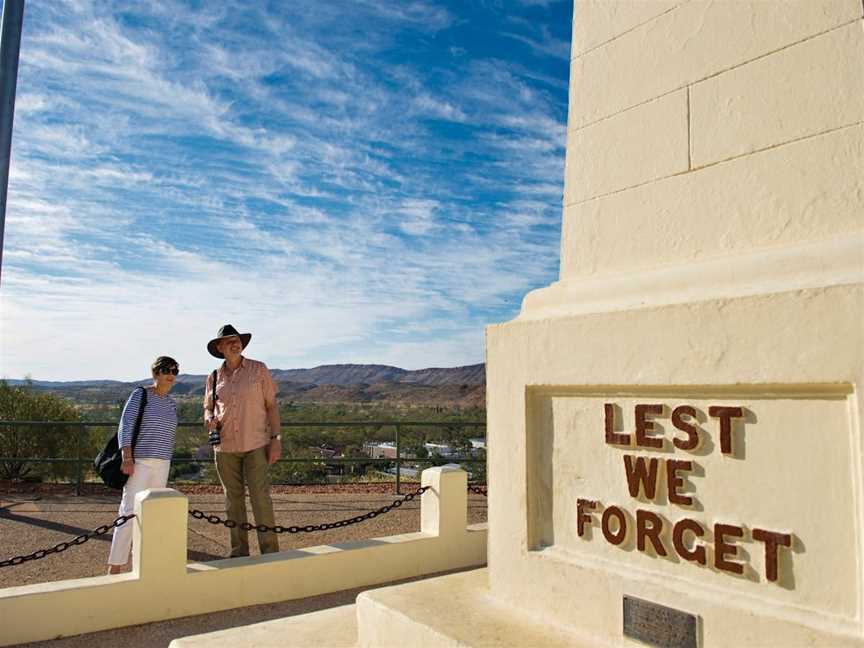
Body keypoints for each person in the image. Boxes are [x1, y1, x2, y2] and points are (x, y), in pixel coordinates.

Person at [204, 324, 281, 557]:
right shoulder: (214, 376)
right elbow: (207, 407)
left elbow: (271, 406)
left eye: (237, 339)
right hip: (225, 447)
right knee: (232, 501)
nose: (235, 343)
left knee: (260, 499)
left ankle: (270, 552)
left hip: (256, 444)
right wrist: (209, 419)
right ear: (220, 347)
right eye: (229, 341)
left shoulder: (259, 369)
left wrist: (276, 438)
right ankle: (239, 552)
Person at [107, 356, 179, 574]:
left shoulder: (171, 403)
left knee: (153, 514)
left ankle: (144, 564)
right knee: (128, 511)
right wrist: (127, 458)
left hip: (162, 463)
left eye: (174, 370)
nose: (170, 374)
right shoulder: (141, 395)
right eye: (166, 370)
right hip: (139, 462)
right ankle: (115, 566)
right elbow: (125, 426)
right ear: (155, 373)